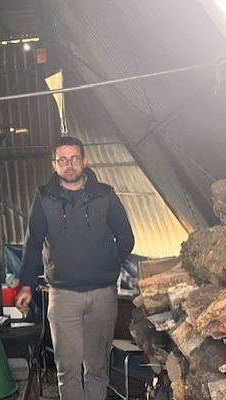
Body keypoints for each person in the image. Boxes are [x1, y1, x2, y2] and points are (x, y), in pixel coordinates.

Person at [15, 136, 134, 400]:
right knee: (67, 370)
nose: (69, 165)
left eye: (75, 159)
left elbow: (126, 238)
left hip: (102, 294)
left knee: (97, 368)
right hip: (63, 296)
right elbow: (33, 243)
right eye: (63, 160)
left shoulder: (105, 195)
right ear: (54, 164)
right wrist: (25, 285)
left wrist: (107, 263)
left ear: (85, 161)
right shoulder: (44, 198)